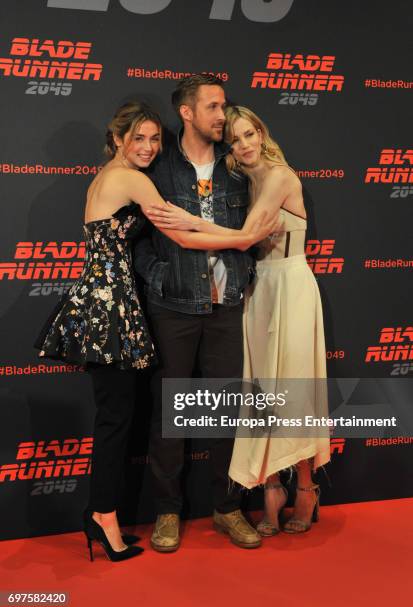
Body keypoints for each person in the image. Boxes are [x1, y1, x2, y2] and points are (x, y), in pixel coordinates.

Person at [35, 99, 275, 561]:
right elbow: (180, 232)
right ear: (117, 140)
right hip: (109, 307)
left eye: (153, 138)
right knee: (115, 420)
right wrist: (244, 239)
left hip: (110, 302)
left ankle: (100, 514)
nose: (147, 146)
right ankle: (103, 516)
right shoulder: (127, 178)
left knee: (116, 418)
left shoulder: (110, 176)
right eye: (137, 138)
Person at [146, 104, 331, 537]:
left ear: (262, 132)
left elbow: (247, 236)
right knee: (260, 393)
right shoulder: (243, 179)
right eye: (235, 139)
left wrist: (190, 222)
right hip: (255, 290)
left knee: (294, 388)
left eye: (250, 134)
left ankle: (305, 487)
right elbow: (246, 243)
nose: (244, 145)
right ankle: (270, 488)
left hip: (291, 287)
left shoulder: (281, 176)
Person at [134, 75, 279, 553]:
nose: (223, 116)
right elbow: (132, 237)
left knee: (224, 412)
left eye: (223, 107)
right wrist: (158, 278)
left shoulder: (238, 166)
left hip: (226, 308)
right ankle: (167, 512)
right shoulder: (158, 165)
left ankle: (228, 507)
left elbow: (261, 225)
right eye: (213, 107)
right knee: (168, 416)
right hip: (172, 306)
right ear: (187, 112)